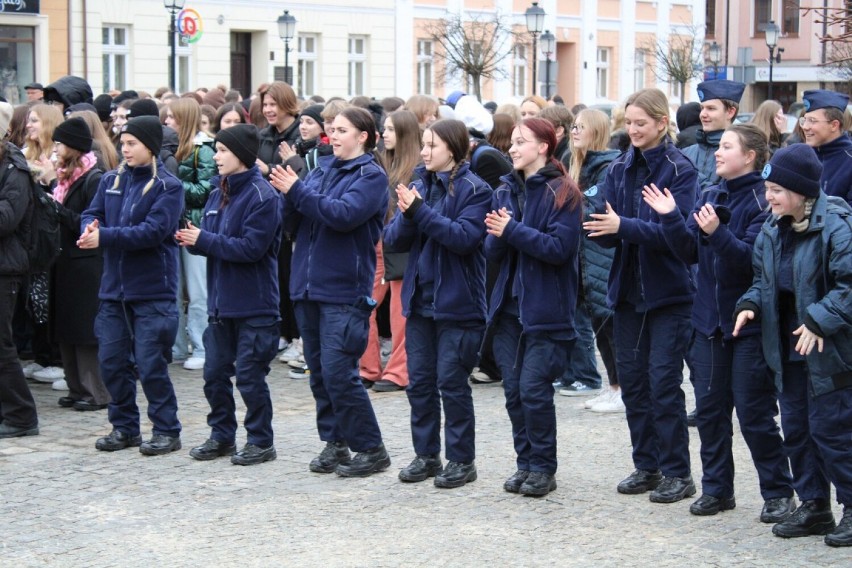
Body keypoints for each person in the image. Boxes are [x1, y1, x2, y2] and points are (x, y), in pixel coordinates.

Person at [644, 123, 796, 521]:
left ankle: (779, 492)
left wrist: (717, 232)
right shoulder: (711, 193)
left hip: (746, 325)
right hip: (708, 324)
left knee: (754, 415)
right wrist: (672, 217)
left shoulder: (763, 202)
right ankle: (717, 489)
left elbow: (750, 262)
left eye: (726, 147)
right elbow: (688, 253)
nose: (717, 152)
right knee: (710, 414)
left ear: (749, 156)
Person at [734, 143, 852, 547]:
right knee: (797, 431)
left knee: (833, 432)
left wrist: (819, 319)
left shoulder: (836, 225)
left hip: (829, 350)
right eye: (768, 189)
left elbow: (848, 286)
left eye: (777, 191)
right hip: (787, 351)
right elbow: (762, 280)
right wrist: (750, 304)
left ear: (801, 192)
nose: (768, 197)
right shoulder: (772, 229)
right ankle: (815, 505)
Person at [584, 88, 698, 504]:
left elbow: (679, 239)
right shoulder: (617, 168)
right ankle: (646, 465)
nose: (632, 130)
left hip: (669, 294)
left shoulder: (679, 169)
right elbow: (611, 230)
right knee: (633, 384)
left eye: (640, 124)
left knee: (664, 384)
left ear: (662, 124)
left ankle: (677, 473)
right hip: (628, 293)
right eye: (628, 123)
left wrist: (623, 227)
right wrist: (597, 228)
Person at [269, 107, 390, 478]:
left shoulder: (371, 176)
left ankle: (371, 448)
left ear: (363, 136)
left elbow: (341, 215)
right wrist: (288, 197)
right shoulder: (321, 170)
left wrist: (297, 190)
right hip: (308, 285)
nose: (332, 136)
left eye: (341, 130)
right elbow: (296, 221)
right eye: (331, 130)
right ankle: (335, 442)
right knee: (320, 373)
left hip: (343, 289)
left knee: (340, 372)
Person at [384, 118, 491, 488]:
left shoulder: (476, 189)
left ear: (453, 149)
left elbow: (462, 237)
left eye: (432, 145)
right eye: (424, 145)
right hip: (421, 302)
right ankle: (426, 455)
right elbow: (393, 239)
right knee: (420, 383)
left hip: (459, 303)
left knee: (452, 382)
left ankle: (462, 460)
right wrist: (410, 214)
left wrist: (419, 212)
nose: (424, 152)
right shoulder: (419, 184)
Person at [485, 118, 582, 496]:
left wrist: (511, 231)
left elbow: (559, 250)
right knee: (513, 391)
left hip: (545, 309)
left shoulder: (564, 192)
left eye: (521, 142)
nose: (512, 148)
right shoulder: (506, 189)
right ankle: (524, 463)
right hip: (509, 308)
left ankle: (543, 467)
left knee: (533, 389)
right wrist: (499, 234)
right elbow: (491, 250)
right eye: (511, 141)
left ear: (544, 146)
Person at [176, 124, 282, 466]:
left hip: (255, 305)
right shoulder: (216, 192)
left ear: (241, 155)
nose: (216, 157)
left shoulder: (263, 196)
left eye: (222, 150)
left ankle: (260, 441)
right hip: (221, 306)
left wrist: (203, 241)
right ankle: (222, 435)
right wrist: (191, 238)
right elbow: (210, 241)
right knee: (214, 375)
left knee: (250, 378)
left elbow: (251, 248)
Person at [80, 115, 184, 455]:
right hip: (114, 290)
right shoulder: (111, 180)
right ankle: (124, 427)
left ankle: (167, 430)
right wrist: (89, 227)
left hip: (153, 290)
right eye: (122, 143)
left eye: (131, 143)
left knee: (150, 364)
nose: (124, 149)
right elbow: (92, 212)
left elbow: (153, 232)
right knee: (111, 362)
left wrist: (104, 236)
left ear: (150, 146)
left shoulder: (168, 186)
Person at [46, 118, 111, 411]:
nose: (56, 148)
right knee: (66, 327)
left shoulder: (93, 178)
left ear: (72, 146)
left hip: (86, 263)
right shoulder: (64, 177)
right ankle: (75, 387)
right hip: (65, 261)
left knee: (85, 330)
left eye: (59, 143)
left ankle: (94, 391)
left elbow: (90, 222)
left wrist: (55, 209)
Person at [565, 108, 622, 411]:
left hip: (601, 255)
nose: (574, 131)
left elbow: (595, 210)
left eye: (581, 127)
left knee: (609, 325)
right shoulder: (576, 165)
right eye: (573, 126)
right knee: (599, 325)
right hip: (584, 257)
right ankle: (612, 385)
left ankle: (622, 387)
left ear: (596, 131)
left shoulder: (607, 166)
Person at [360, 109, 420, 393]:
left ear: (405, 134)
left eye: (391, 129)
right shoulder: (382, 163)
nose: (384, 134)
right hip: (378, 243)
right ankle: (368, 367)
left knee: (399, 311)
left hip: (402, 246)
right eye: (384, 128)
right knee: (362, 305)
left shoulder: (416, 168)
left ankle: (399, 372)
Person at [165, 98, 217, 371]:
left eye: (172, 117)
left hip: (194, 226)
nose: (167, 122)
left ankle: (201, 345)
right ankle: (177, 345)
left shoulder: (204, 149)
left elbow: (205, 190)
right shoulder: (171, 148)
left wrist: (172, 185)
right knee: (173, 290)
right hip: (174, 227)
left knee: (198, 292)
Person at [0, 102, 39, 438]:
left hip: (5, 268)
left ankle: (22, 416)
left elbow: (6, 220)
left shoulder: (15, 168)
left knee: (2, 345)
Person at [683, 80, 745, 191]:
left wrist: (691, 177)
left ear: (730, 112)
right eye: (702, 108)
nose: (703, 114)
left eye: (711, 108)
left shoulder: (740, 155)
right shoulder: (686, 153)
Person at [799, 89, 852, 205]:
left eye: (812, 121)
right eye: (804, 120)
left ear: (834, 125)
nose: (805, 127)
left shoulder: (849, 160)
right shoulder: (800, 156)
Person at [256, 81, 301, 178]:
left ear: (286, 104)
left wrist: (268, 169)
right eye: (265, 105)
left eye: (273, 104)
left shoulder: (302, 136)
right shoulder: (262, 136)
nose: (267, 110)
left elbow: (303, 171)